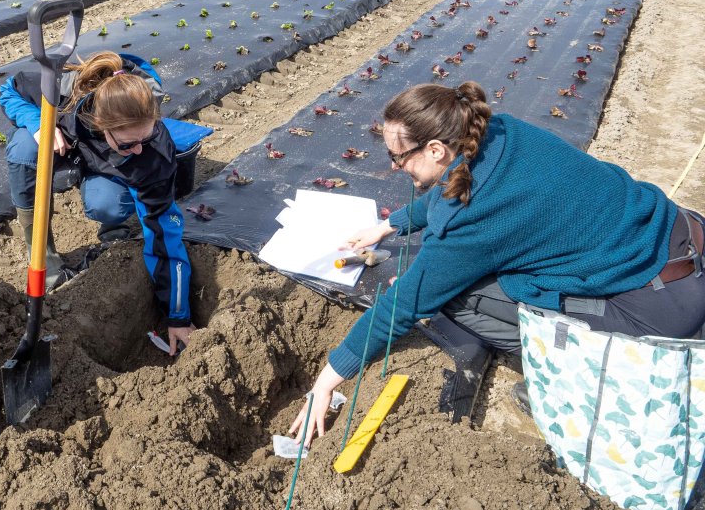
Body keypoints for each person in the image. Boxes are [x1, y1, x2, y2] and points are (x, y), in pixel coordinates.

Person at [290, 81, 705, 445]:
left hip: (657, 311)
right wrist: (389, 226)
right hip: (684, 237)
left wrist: (326, 382)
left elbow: (404, 304)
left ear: (435, 148)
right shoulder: (495, 131)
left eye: (398, 157)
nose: (393, 166)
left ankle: (566, 377)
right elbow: (454, 184)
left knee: (454, 296)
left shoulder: (472, 221)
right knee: (489, 267)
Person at [0, 50, 195, 356]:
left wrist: (178, 315)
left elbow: (164, 234)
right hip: (69, 143)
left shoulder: (150, 153)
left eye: (146, 137)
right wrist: (40, 124)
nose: (140, 149)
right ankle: (46, 262)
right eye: (129, 143)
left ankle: (113, 227)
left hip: (105, 161)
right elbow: (8, 89)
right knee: (24, 149)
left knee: (107, 204)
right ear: (102, 124)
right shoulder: (64, 89)